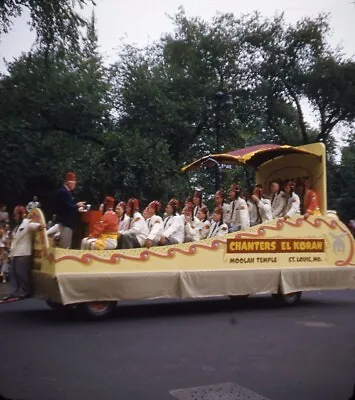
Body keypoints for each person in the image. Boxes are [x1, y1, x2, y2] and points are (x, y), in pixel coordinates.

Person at [1, 206, 43, 302]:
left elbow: (39, 226)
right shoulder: (16, 226)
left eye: (16, 214)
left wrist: (38, 223)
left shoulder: (27, 223)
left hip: (24, 253)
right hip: (15, 252)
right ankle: (13, 293)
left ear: (21, 214)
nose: (14, 216)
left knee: (21, 273)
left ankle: (26, 291)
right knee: (12, 273)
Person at [53, 171, 85, 249]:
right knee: (64, 246)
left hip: (64, 222)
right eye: (74, 183)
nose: (75, 185)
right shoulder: (63, 192)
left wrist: (77, 208)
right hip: (65, 223)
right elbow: (67, 207)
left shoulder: (66, 192)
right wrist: (77, 205)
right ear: (69, 183)